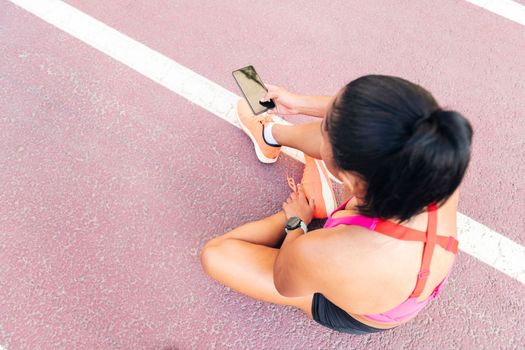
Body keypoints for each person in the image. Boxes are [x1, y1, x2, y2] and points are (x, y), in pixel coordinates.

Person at [200, 75, 473, 334]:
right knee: (349, 141)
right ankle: (270, 135)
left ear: (352, 183)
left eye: (325, 129)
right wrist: (298, 102)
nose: (323, 125)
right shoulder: (433, 158)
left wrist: (294, 221)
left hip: (350, 306)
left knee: (215, 255)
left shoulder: (329, 253)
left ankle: (312, 203)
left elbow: (285, 283)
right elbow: (361, 123)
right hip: (399, 272)